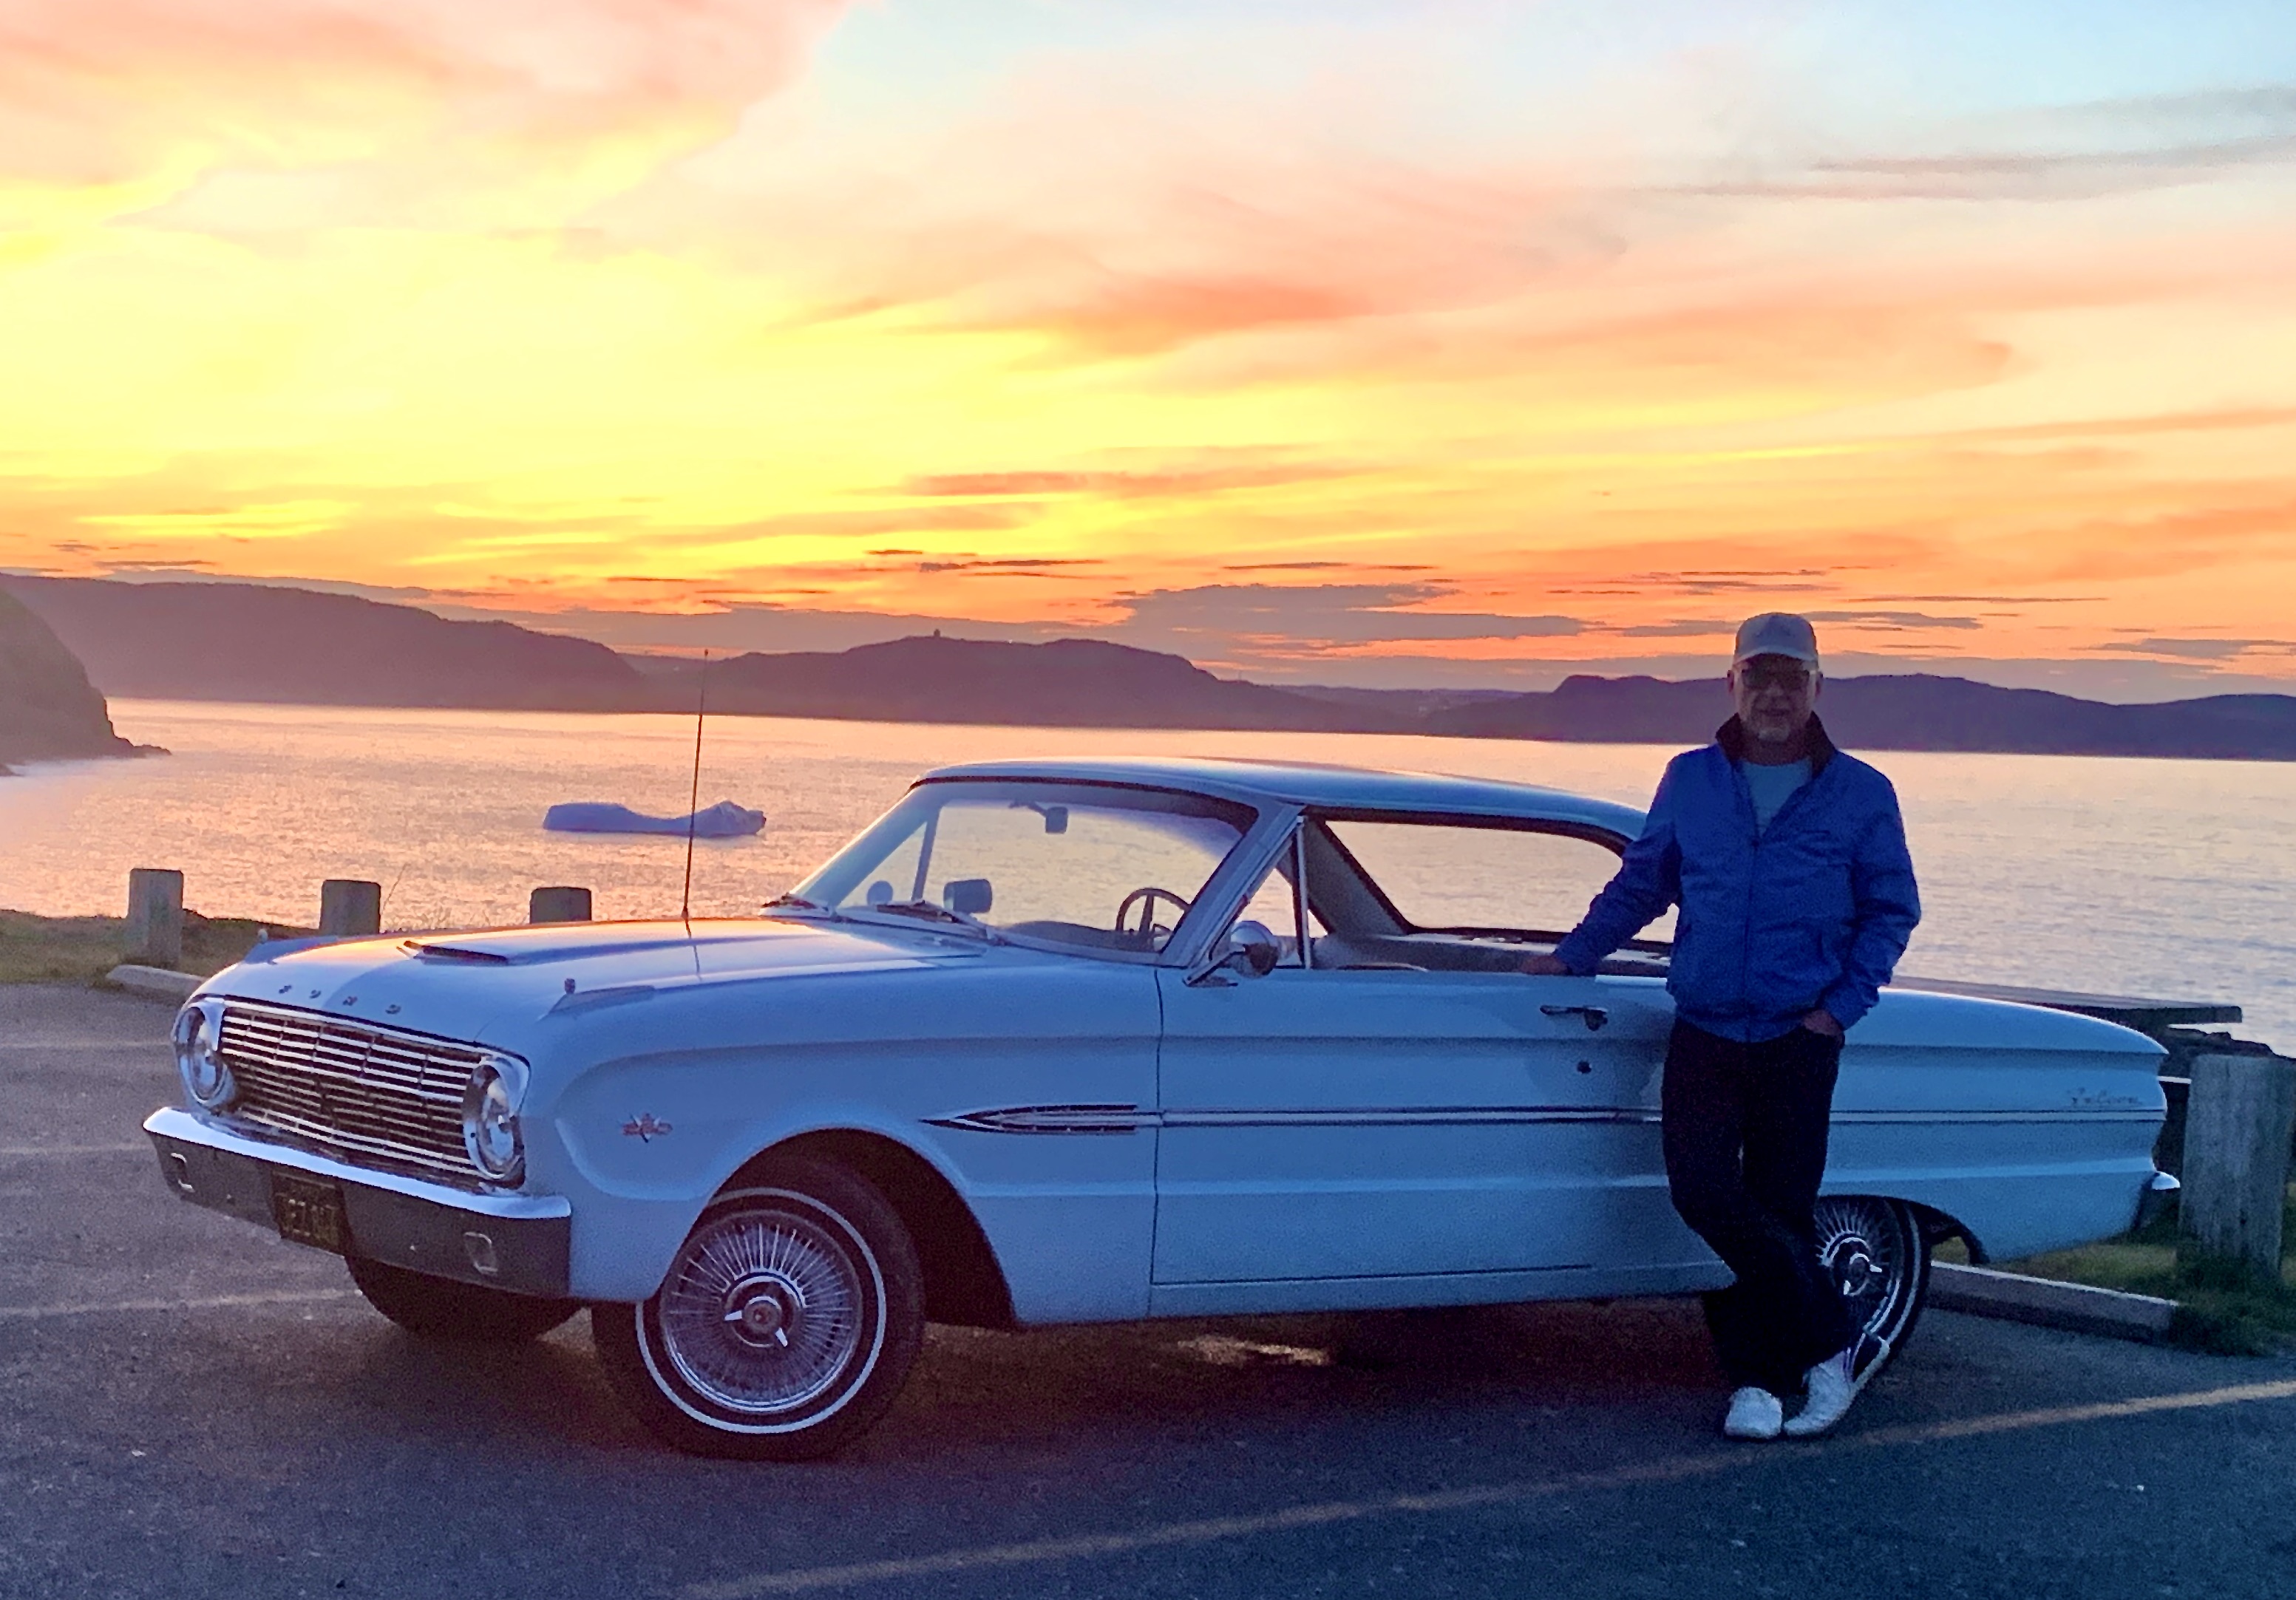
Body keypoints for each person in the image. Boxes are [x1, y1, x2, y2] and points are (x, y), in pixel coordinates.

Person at [1521, 613, 1920, 1440]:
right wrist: (1571, 956)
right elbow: (1643, 885)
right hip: (1703, 1024)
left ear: (1816, 686)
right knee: (1703, 1191)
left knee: (1780, 1207)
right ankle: (1836, 1340)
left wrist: (1834, 1010)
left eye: (1791, 678)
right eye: (1757, 676)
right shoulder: (1691, 778)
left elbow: (1890, 911)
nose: (1773, 693)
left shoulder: (1860, 792)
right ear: (1731, 682)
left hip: (1798, 1035)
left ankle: (1759, 1384)